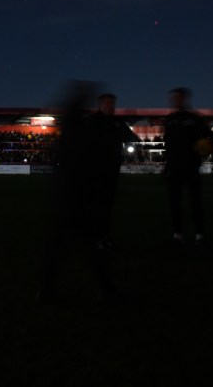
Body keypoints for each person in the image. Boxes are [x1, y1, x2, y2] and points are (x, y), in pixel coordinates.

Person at [37, 81, 119, 304]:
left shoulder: (68, 131)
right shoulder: (86, 130)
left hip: (64, 201)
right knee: (93, 250)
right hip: (81, 201)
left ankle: (45, 291)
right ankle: (105, 290)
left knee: (57, 250)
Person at [163, 87, 213, 244]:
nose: (174, 100)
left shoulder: (194, 119)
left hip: (191, 167)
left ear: (184, 99)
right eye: (172, 98)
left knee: (195, 202)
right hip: (174, 168)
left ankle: (199, 234)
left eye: (177, 97)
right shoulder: (169, 120)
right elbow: (168, 144)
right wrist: (167, 164)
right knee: (175, 202)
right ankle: (177, 234)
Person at [87, 93, 138, 248]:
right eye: (108, 103)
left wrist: (130, 148)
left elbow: (132, 138)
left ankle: (105, 236)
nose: (111, 107)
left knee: (107, 205)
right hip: (94, 171)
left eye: (113, 104)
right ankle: (95, 237)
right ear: (100, 104)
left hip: (112, 170)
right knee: (95, 204)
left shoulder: (117, 122)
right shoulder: (90, 122)